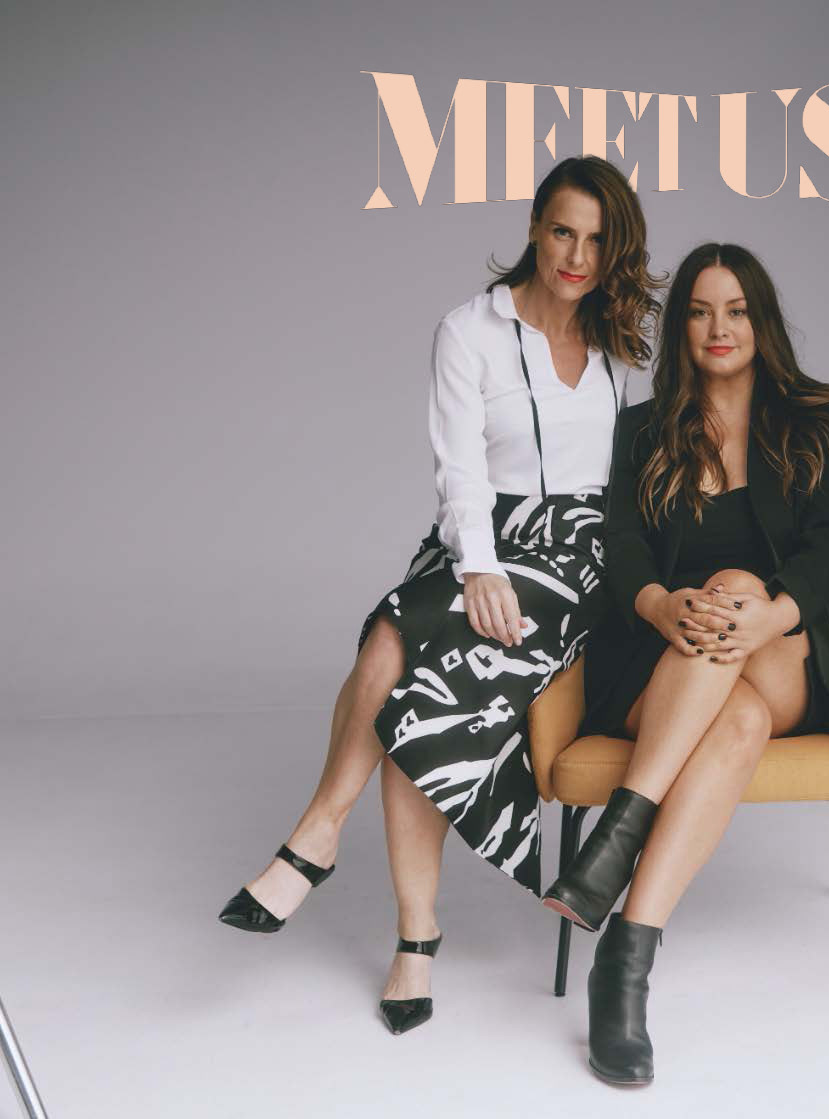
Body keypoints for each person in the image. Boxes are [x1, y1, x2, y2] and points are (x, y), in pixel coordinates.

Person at [217, 156, 661, 1037]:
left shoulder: (619, 346)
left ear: (615, 251)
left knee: (407, 656)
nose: (576, 256)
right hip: (480, 539)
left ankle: (340, 870)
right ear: (534, 228)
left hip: (579, 562)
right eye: (562, 231)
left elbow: (628, 483)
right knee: (395, 632)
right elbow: (459, 469)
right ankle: (352, 866)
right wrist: (479, 565)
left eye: (596, 240)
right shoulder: (469, 330)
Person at [540, 243, 829, 1085]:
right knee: (734, 717)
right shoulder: (643, 430)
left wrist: (771, 610)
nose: (718, 327)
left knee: (738, 587)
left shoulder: (820, 418)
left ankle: (613, 843)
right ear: (681, 328)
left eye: (735, 310)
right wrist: (657, 604)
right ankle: (623, 961)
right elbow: (621, 544)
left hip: (785, 655)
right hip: (666, 666)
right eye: (701, 311)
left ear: (760, 319)